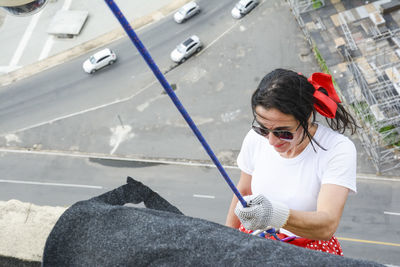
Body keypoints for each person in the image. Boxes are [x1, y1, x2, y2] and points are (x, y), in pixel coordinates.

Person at [225, 68, 358, 256]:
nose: (271, 141)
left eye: (284, 132)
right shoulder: (255, 139)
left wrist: (273, 214)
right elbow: (244, 191)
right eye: (263, 129)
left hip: (307, 250)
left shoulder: (337, 149)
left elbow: (327, 225)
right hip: (255, 239)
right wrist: (225, 240)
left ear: (308, 117)